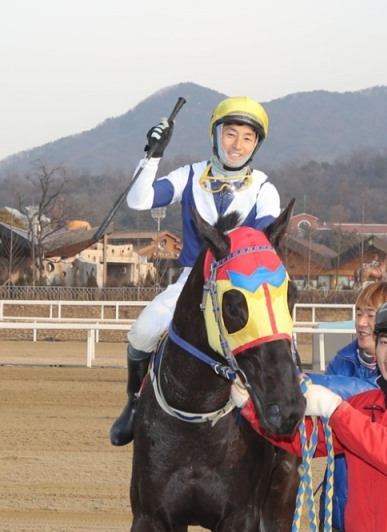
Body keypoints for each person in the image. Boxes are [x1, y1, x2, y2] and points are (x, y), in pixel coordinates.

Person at [109, 96, 281, 446]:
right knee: (142, 332)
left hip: (240, 284)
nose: (237, 145)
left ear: (256, 144)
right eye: (230, 134)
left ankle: (275, 410)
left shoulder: (264, 188)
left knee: (272, 343)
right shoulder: (189, 175)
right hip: (193, 278)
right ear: (215, 135)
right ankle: (134, 403)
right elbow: (138, 201)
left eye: (247, 138)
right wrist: (152, 155)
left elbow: (265, 246)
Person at [237, 295, 387, 531]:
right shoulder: (363, 404)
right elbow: (302, 440)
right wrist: (248, 406)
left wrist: (334, 408)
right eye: (385, 342)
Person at [308, 281, 387, 530]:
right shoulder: (342, 360)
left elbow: (372, 395)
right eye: (358, 313)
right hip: (337, 500)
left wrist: (300, 382)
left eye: (371, 315)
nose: (361, 322)